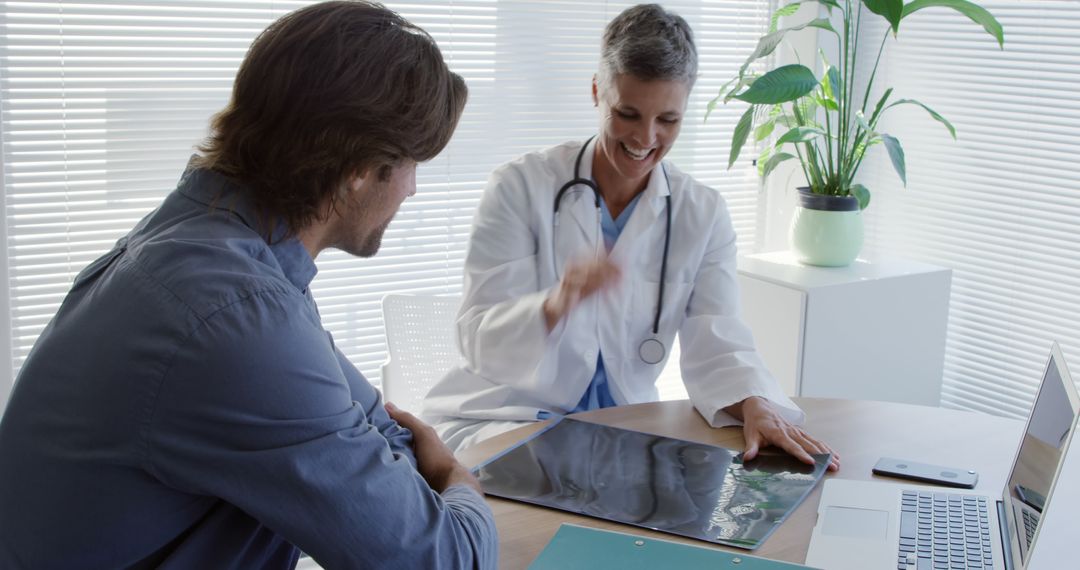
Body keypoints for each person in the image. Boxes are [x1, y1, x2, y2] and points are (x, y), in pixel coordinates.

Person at [0, 2, 496, 569]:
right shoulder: (235, 313)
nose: (412, 189)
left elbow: (375, 426)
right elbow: (446, 559)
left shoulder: (213, 242)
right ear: (359, 167)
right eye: (411, 163)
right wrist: (459, 479)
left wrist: (409, 477)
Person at [423, 4, 840, 473]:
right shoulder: (519, 187)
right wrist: (556, 302)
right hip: (503, 416)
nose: (646, 137)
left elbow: (717, 334)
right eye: (628, 113)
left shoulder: (701, 213)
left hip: (618, 430)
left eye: (669, 120)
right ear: (598, 90)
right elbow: (479, 340)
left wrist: (755, 403)